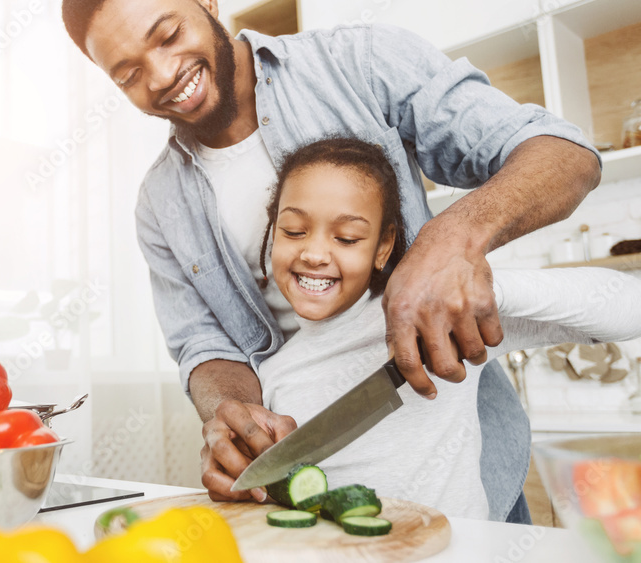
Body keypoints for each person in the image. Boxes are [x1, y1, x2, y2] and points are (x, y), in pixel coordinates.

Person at [61, 0, 602, 521]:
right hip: (308, 483)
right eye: (128, 73)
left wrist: (451, 238)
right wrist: (227, 411)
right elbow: (202, 344)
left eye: (168, 35)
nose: (159, 75)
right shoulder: (159, 203)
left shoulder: (360, 62)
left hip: (458, 458)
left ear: (207, 1)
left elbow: (562, 154)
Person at [252, 136, 641, 519]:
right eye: (293, 231)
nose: (315, 254)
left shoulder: (440, 318)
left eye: (347, 237)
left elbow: (629, 307)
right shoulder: (272, 374)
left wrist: (482, 292)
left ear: (383, 247)